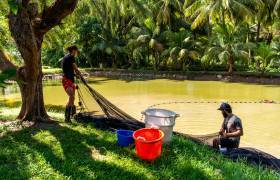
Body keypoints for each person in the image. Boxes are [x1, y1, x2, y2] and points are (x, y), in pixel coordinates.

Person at [61, 45, 82, 123]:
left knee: (72, 98)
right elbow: (75, 69)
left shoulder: (66, 57)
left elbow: (69, 70)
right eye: (76, 50)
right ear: (73, 50)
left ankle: (72, 115)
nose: (77, 52)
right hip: (67, 80)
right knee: (71, 97)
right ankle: (67, 118)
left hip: (70, 80)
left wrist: (75, 75)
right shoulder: (71, 57)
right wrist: (81, 76)